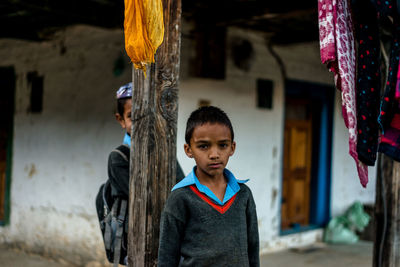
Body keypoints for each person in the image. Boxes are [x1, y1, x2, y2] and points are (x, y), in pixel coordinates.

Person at [158, 106, 260, 267]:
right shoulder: (180, 198)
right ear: (188, 150)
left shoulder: (243, 194)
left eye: (223, 145)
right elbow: (167, 257)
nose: (214, 154)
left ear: (232, 148)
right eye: (204, 146)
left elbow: (252, 248)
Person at [108, 82, 185, 198]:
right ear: (121, 120)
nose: (140, 123)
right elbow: (139, 198)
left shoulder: (165, 152)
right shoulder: (119, 158)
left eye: (146, 115)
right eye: (132, 116)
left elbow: (182, 190)